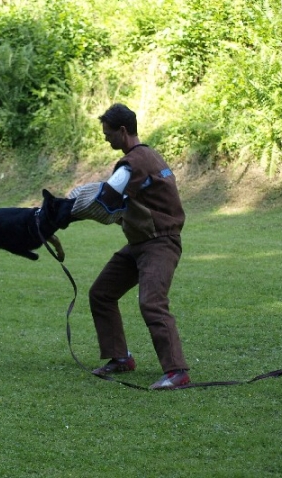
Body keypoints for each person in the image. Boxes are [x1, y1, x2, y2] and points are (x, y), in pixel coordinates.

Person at [69, 103, 190, 390]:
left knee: (152, 303)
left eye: (108, 133)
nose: (105, 138)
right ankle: (120, 358)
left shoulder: (133, 163)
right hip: (140, 243)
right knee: (102, 293)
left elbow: (106, 198)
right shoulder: (147, 156)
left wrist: (63, 211)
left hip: (160, 243)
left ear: (123, 131)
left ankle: (178, 372)